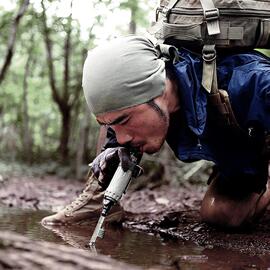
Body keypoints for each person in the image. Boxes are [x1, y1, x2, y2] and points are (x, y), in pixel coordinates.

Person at [42, 35, 270, 228]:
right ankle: (97, 202)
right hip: (240, 153)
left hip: (260, 140)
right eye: (111, 125)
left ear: (159, 89)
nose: (121, 137)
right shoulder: (133, 108)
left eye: (124, 119)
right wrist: (108, 167)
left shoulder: (254, 82)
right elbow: (116, 126)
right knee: (222, 214)